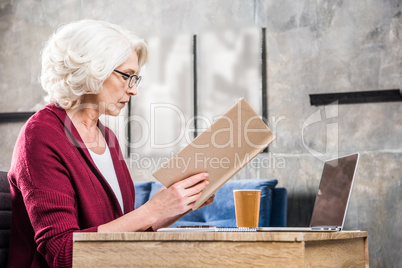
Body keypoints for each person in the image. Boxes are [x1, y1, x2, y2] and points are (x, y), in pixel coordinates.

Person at [7, 19, 214, 268]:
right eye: (127, 76)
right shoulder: (41, 135)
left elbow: (119, 235)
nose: (133, 90)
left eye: (135, 79)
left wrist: (176, 207)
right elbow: (62, 253)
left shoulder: (108, 138)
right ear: (93, 70)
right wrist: (152, 210)